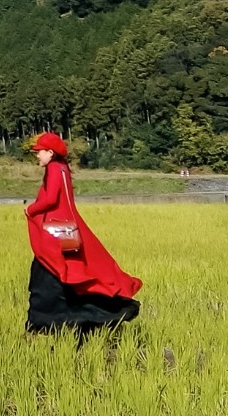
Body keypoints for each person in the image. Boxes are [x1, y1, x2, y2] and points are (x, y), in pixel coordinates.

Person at [23, 131, 142, 335]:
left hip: (55, 231)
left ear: (50, 153)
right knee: (74, 274)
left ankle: (46, 324)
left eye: (39, 152)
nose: (37, 156)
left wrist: (30, 209)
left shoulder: (53, 168)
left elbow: (51, 199)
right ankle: (92, 318)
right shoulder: (62, 168)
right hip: (67, 228)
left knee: (48, 275)